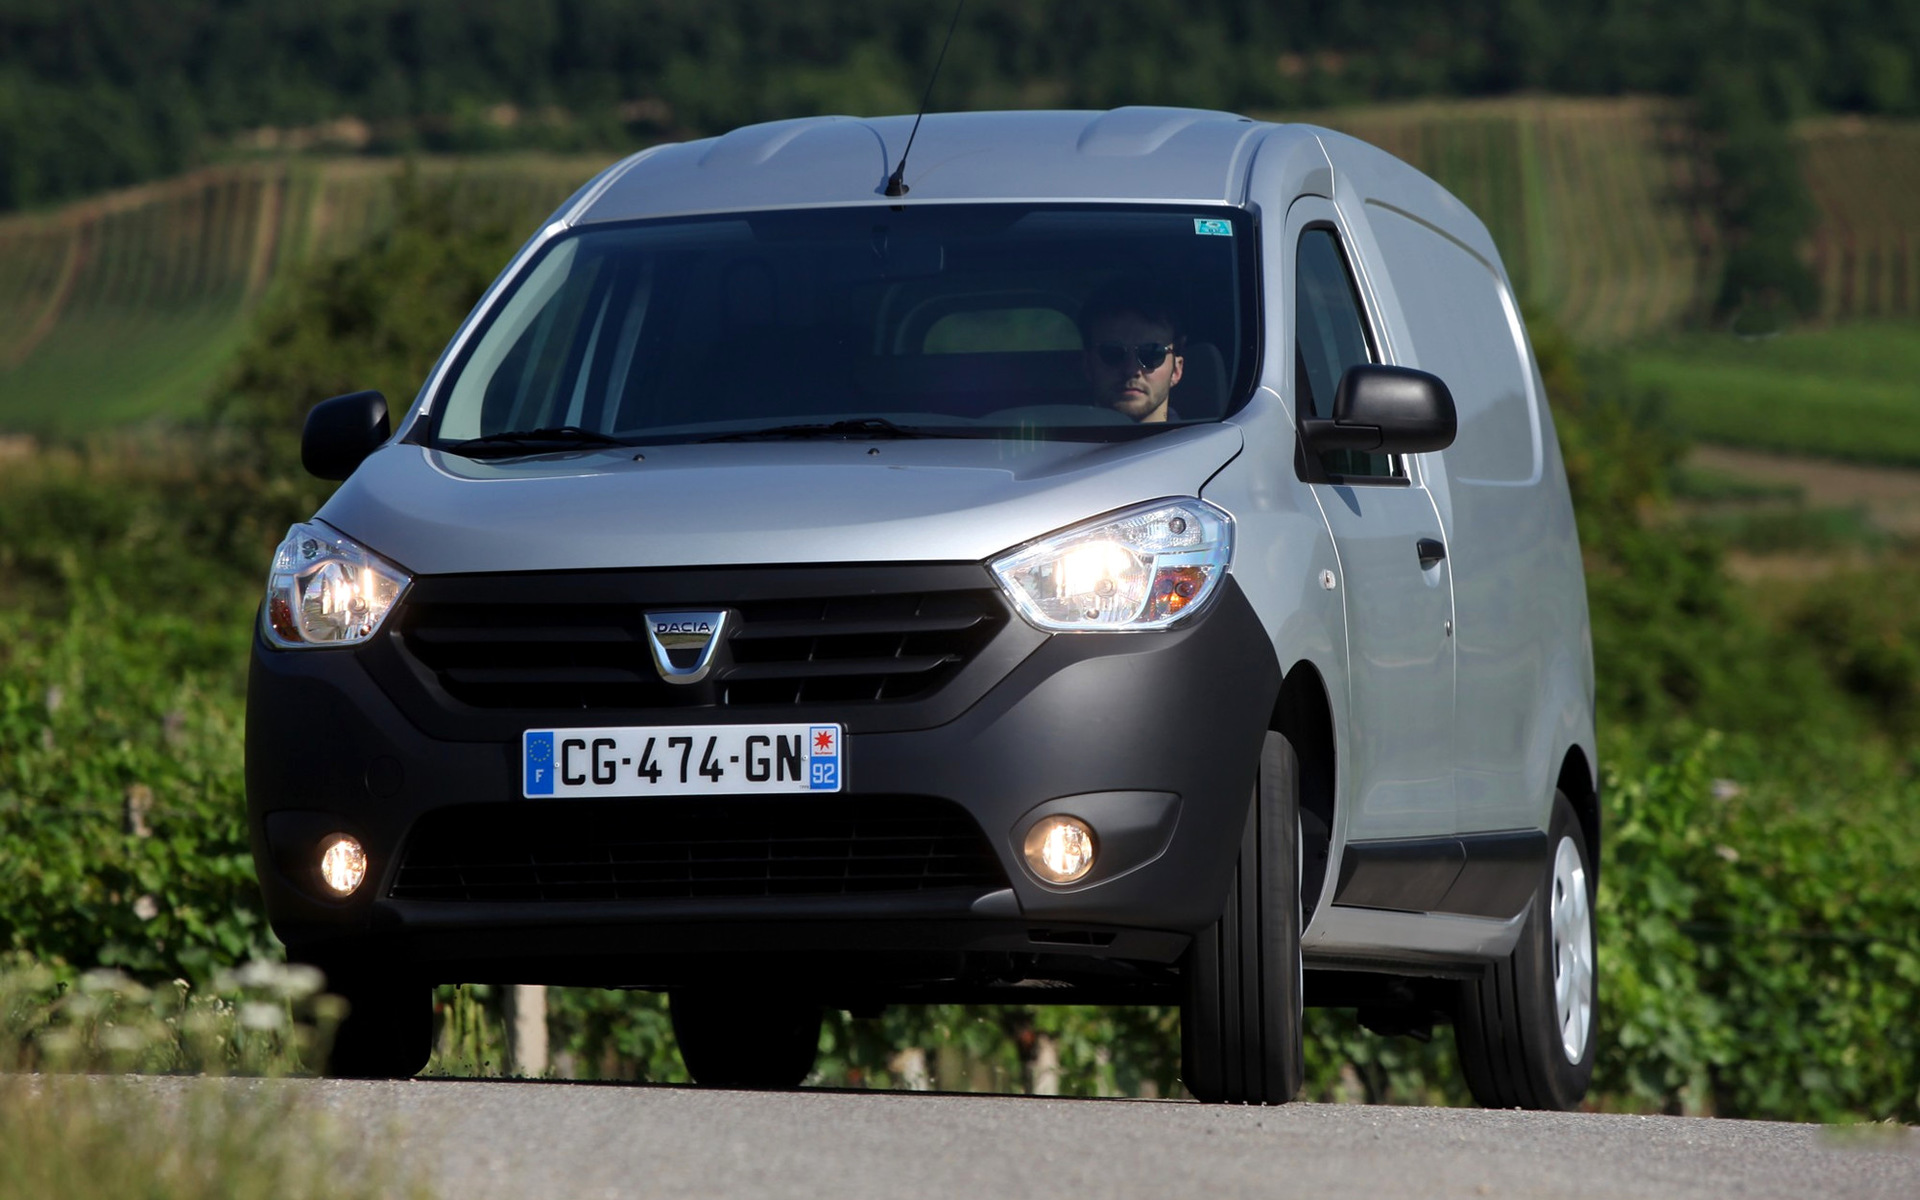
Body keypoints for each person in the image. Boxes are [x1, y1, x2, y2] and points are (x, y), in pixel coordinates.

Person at [1080, 290, 1185, 423]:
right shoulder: (1057, 442)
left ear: (1176, 370)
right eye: (1113, 353)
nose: (1131, 370)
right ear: (1088, 365)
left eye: (1151, 354)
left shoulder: (1207, 442)